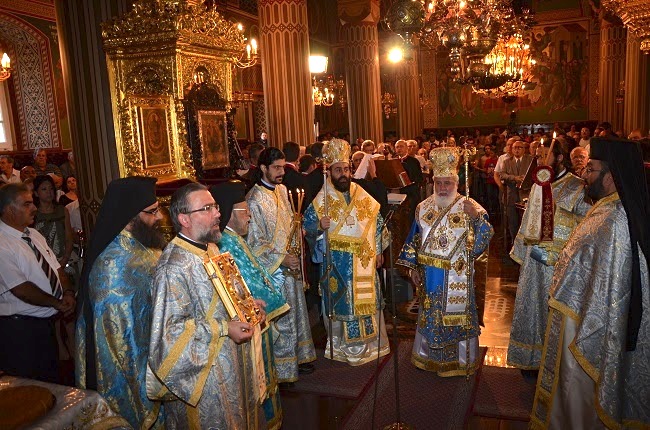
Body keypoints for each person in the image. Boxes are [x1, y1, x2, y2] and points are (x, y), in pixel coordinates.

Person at [530, 138, 650, 429]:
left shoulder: (615, 219)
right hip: (577, 311)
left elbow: (612, 287)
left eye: (591, 169)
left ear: (611, 176)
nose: (584, 175)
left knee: (579, 389)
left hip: (587, 322)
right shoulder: (606, 209)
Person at [149, 182, 266, 428]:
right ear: (184, 219)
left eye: (215, 206)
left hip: (232, 363)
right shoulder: (173, 268)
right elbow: (169, 336)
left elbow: (224, 297)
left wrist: (246, 306)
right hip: (206, 378)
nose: (217, 214)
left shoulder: (211, 248)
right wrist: (224, 328)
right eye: (207, 208)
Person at [76, 176, 165, 429]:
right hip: (134, 372)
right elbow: (118, 341)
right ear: (130, 217)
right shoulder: (112, 266)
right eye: (152, 212)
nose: (159, 217)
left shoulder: (143, 245)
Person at [397, 147, 494, 375]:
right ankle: (428, 357)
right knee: (430, 315)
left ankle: (460, 361)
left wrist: (476, 218)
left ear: (456, 183)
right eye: (438, 183)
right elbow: (414, 239)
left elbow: (485, 236)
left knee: (457, 319)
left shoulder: (470, 206)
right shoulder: (423, 207)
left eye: (447, 183)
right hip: (429, 275)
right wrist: (413, 268)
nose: (442, 188)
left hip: (457, 275)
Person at [211, 180, 290, 430]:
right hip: (249, 326)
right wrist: (274, 301)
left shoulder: (235, 238)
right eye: (245, 211)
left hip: (256, 319)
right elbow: (248, 283)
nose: (250, 217)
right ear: (230, 213)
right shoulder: (226, 244)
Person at [303, 139, 390, 366]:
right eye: (338, 170)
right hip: (337, 264)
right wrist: (318, 227)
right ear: (329, 171)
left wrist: (378, 250)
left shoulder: (360, 192)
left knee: (367, 302)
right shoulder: (322, 199)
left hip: (364, 261)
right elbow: (306, 228)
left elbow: (377, 222)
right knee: (343, 302)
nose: (343, 174)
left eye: (346, 169)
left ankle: (372, 345)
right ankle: (343, 348)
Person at [506, 142, 590, 374]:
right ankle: (532, 359)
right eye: (538, 156)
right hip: (534, 261)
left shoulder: (577, 187)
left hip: (560, 264)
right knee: (533, 307)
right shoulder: (538, 184)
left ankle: (557, 363)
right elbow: (528, 221)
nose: (540, 160)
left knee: (554, 312)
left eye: (545, 155)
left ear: (560, 158)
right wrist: (523, 253)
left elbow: (586, 226)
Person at [246, 147, 316, 384]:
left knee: (296, 311)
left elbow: (289, 223)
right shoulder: (254, 200)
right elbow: (254, 242)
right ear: (263, 168)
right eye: (276, 168)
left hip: (291, 263)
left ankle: (298, 357)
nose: (281, 173)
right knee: (282, 319)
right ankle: (283, 369)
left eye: (282, 167)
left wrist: (298, 234)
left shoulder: (283, 190)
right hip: (273, 270)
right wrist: (281, 259)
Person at [0, 183, 75, 383]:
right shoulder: (2, 243)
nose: (34, 208)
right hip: (19, 330)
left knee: (50, 382)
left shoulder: (34, 235)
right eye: (27, 204)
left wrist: (67, 293)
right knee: (28, 387)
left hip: (45, 325)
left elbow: (57, 269)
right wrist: (56, 303)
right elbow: (21, 289)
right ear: (9, 210)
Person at [500, 139, 533, 244]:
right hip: (512, 195)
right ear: (512, 149)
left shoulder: (530, 160)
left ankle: (526, 242)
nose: (517, 150)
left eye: (520, 147)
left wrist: (525, 179)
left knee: (525, 220)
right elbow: (502, 175)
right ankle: (514, 242)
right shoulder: (507, 161)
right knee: (512, 221)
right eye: (515, 147)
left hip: (526, 194)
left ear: (524, 149)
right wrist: (514, 178)